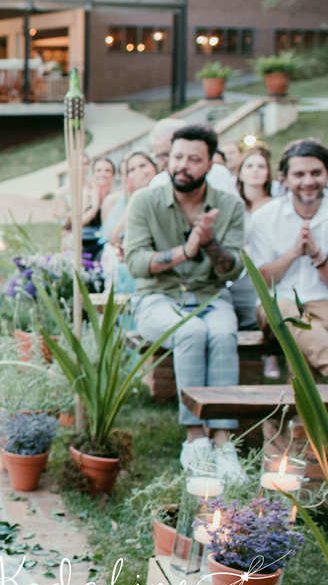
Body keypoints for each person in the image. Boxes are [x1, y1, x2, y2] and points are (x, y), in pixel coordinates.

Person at [124, 124, 245, 476]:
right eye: (177, 157)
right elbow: (136, 264)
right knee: (191, 331)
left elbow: (230, 270)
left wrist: (208, 243)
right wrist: (186, 250)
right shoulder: (145, 201)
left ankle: (222, 441)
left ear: (210, 165)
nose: (183, 165)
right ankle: (195, 439)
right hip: (156, 298)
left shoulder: (229, 206)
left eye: (194, 159)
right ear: (167, 160)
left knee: (223, 333)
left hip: (210, 294)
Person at [249, 140, 328, 375]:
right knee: (286, 312)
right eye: (299, 174)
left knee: (302, 343)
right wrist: (294, 253)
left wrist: (317, 255)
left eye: (316, 173)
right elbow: (262, 283)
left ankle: (299, 412)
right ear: (283, 178)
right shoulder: (265, 217)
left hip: (324, 303)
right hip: (278, 304)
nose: (308, 182)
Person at [228, 145, 276, 332]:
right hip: (239, 273)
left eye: (261, 166)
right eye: (249, 166)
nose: (255, 170)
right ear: (240, 173)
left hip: (268, 270)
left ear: (267, 173)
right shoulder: (234, 207)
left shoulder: (276, 206)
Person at [99, 152, 158, 293]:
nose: (138, 172)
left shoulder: (164, 189)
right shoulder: (127, 201)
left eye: (143, 165)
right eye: (131, 170)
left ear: (155, 167)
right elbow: (115, 238)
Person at [148, 119, 235, 193]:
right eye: (158, 157)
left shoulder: (218, 174)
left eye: (176, 155)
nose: (164, 162)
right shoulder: (157, 183)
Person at [80, 157, 116, 263]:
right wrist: (95, 207)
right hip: (87, 243)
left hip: (107, 244)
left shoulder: (115, 197)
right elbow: (78, 223)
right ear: (93, 174)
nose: (103, 174)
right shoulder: (87, 195)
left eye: (107, 170)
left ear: (113, 175)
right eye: (99, 170)